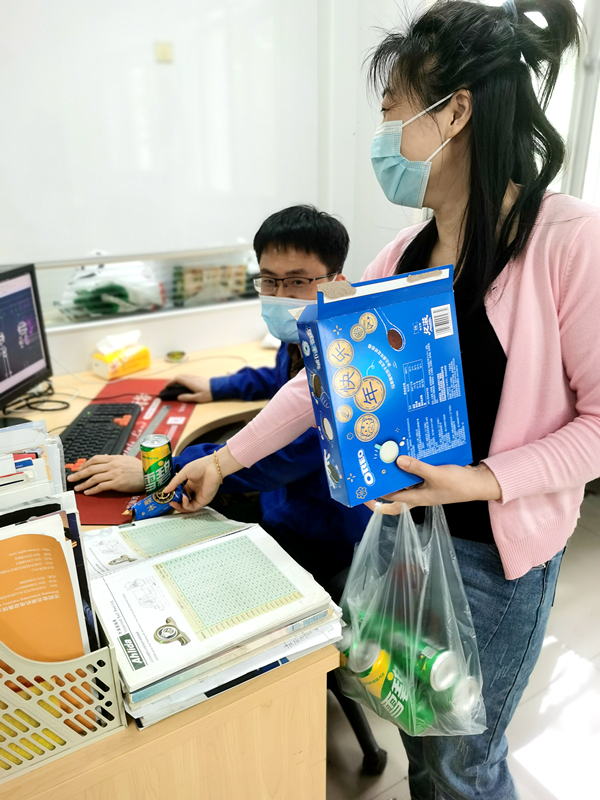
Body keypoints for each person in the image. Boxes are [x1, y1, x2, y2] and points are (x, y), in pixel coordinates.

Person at [162, 1, 600, 797]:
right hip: (405, 541)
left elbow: (598, 425)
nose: (382, 137)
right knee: (420, 737)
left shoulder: (566, 240)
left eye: (392, 112)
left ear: (454, 114)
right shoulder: (403, 254)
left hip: (496, 560)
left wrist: (480, 480)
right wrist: (222, 461)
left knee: (465, 763)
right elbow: (320, 384)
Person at [68, 205, 371, 588]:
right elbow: (284, 384)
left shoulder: (346, 364)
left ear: (336, 281)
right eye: (269, 281)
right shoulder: (303, 332)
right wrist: (217, 387)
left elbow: (280, 454)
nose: (280, 295)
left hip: (321, 532)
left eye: (296, 281)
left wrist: (159, 471)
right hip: (281, 503)